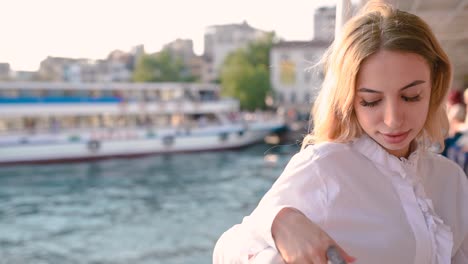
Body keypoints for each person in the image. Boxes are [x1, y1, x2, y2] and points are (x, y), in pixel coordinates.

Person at [213, 1, 468, 264]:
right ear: (348, 100)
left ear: (435, 86)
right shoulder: (324, 168)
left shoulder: (452, 180)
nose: (393, 121)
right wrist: (280, 222)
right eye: (370, 101)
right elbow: (226, 251)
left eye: (411, 96)